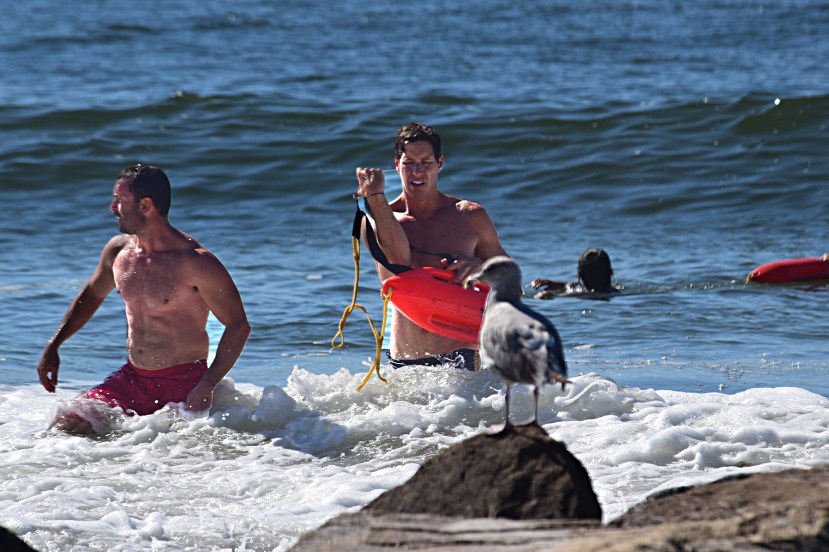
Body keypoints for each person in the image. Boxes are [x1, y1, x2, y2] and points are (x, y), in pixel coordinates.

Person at [37, 164, 251, 434]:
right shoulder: (118, 251)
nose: (112, 207)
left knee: (171, 455)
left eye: (120, 199)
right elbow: (91, 296)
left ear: (146, 205)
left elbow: (238, 326)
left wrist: (206, 386)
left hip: (183, 383)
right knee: (64, 428)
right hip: (131, 379)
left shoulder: (195, 262)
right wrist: (54, 345)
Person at [354, 122, 508, 370]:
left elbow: (514, 288)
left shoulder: (470, 217)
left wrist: (482, 269)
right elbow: (398, 265)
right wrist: (375, 199)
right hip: (403, 364)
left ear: (440, 164)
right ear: (396, 165)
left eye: (425, 163)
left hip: (462, 361)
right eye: (408, 163)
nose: (417, 171)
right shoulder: (378, 221)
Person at [531, 247, 620, 300]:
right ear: (610, 272)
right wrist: (556, 284)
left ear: (580, 275)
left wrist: (550, 295)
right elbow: (580, 285)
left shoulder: (582, 295)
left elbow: (579, 292)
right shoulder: (615, 290)